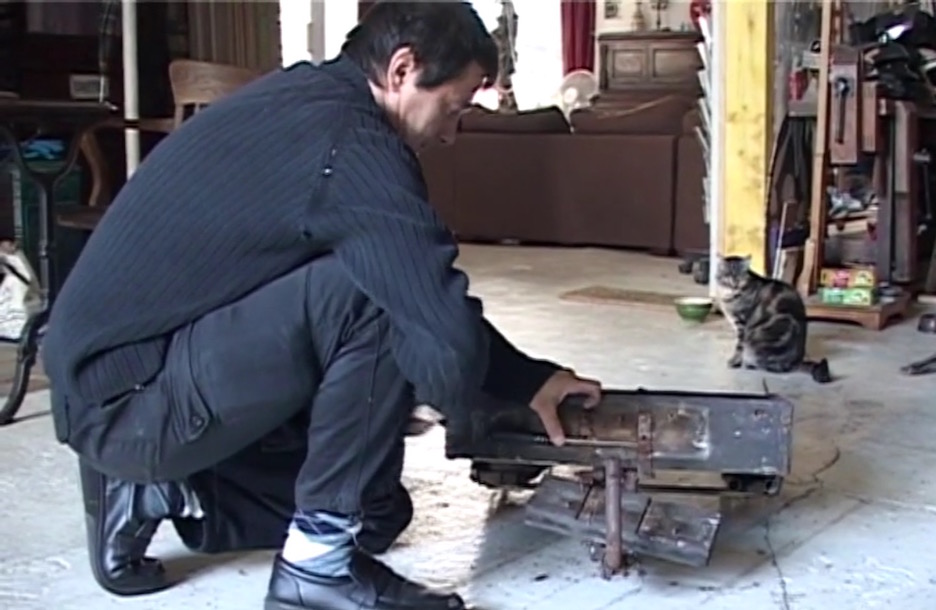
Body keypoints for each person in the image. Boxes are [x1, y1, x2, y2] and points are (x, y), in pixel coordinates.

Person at [42, 3, 602, 609]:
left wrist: (527, 380)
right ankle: (317, 570)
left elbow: (415, 288)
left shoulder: (311, 99)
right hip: (130, 400)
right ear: (403, 69)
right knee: (371, 300)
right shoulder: (354, 147)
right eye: (454, 107)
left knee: (378, 512)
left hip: (117, 385)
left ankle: (165, 493)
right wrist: (474, 411)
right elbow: (434, 329)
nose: (449, 134)